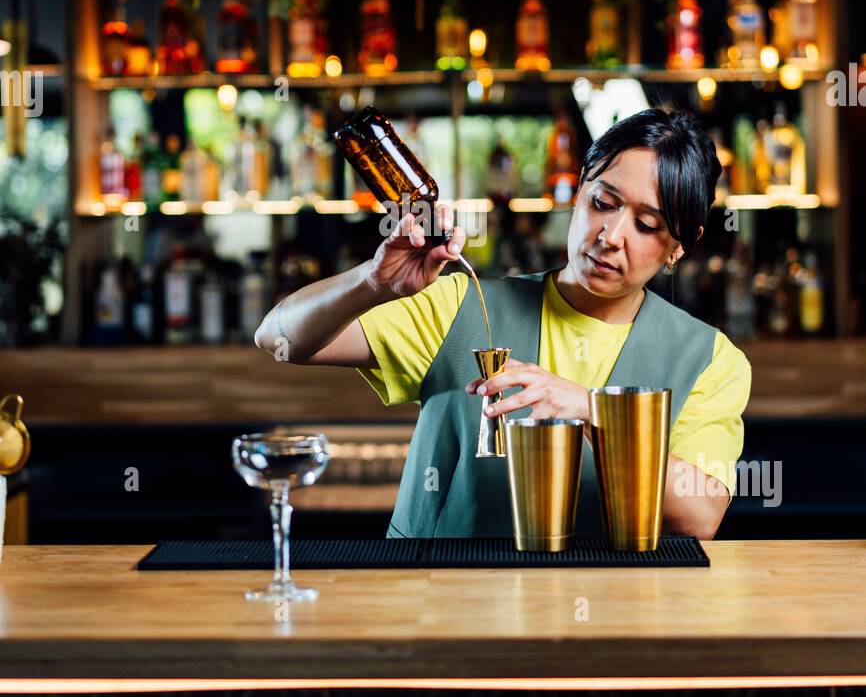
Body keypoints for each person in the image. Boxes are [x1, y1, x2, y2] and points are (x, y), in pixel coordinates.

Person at [255, 108, 751, 542]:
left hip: (611, 618)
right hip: (439, 614)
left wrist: (592, 411)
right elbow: (277, 338)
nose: (611, 236)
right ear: (578, 190)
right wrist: (372, 281)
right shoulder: (456, 303)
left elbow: (699, 516)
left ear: (681, 245)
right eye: (602, 203)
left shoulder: (709, 360)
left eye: (648, 225)